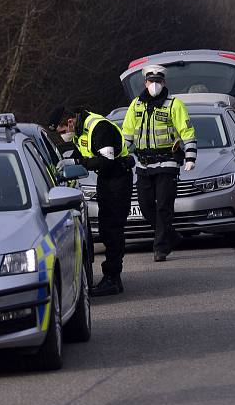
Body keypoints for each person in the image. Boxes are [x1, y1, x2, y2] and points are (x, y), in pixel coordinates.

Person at [49, 107, 134, 296]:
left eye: (63, 131)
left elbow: (106, 161)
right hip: (107, 180)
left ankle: (112, 278)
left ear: (70, 121)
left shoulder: (99, 127)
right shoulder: (81, 131)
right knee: (106, 229)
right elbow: (83, 155)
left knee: (112, 230)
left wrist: (76, 163)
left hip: (118, 180)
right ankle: (112, 277)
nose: (63, 135)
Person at [121, 65, 197, 262]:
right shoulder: (136, 105)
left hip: (167, 162)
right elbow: (127, 136)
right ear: (145, 83)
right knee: (146, 206)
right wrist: (118, 157)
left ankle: (160, 248)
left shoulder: (174, 105)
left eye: (158, 81)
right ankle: (171, 236)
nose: (154, 85)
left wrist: (190, 157)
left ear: (164, 83)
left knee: (163, 205)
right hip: (144, 165)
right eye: (151, 81)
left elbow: (187, 133)